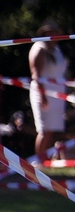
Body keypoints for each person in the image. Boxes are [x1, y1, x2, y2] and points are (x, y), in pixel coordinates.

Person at [29, 21, 69, 160]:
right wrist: (42, 95)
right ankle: (38, 161)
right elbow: (36, 75)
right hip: (44, 92)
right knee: (44, 130)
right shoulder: (39, 48)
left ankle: (46, 159)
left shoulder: (57, 51)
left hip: (57, 93)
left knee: (52, 130)